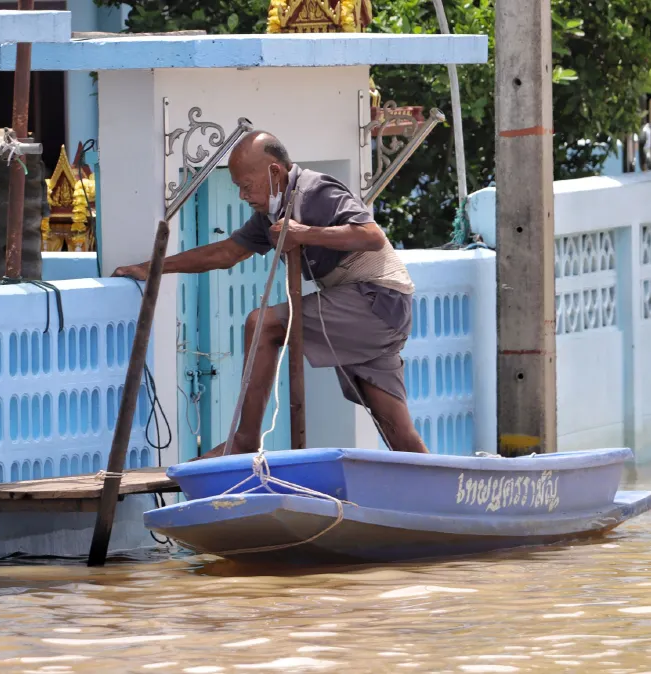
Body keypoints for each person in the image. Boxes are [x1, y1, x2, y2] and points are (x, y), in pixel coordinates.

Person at [114, 130, 429, 459]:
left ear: (275, 172)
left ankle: (245, 440)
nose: (242, 195)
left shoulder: (315, 191)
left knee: (263, 324)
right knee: (396, 429)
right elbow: (225, 254)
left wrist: (304, 232)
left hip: (375, 300)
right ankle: (443, 495)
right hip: (380, 311)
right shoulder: (271, 214)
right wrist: (153, 267)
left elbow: (371, 235)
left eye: (246, 185)